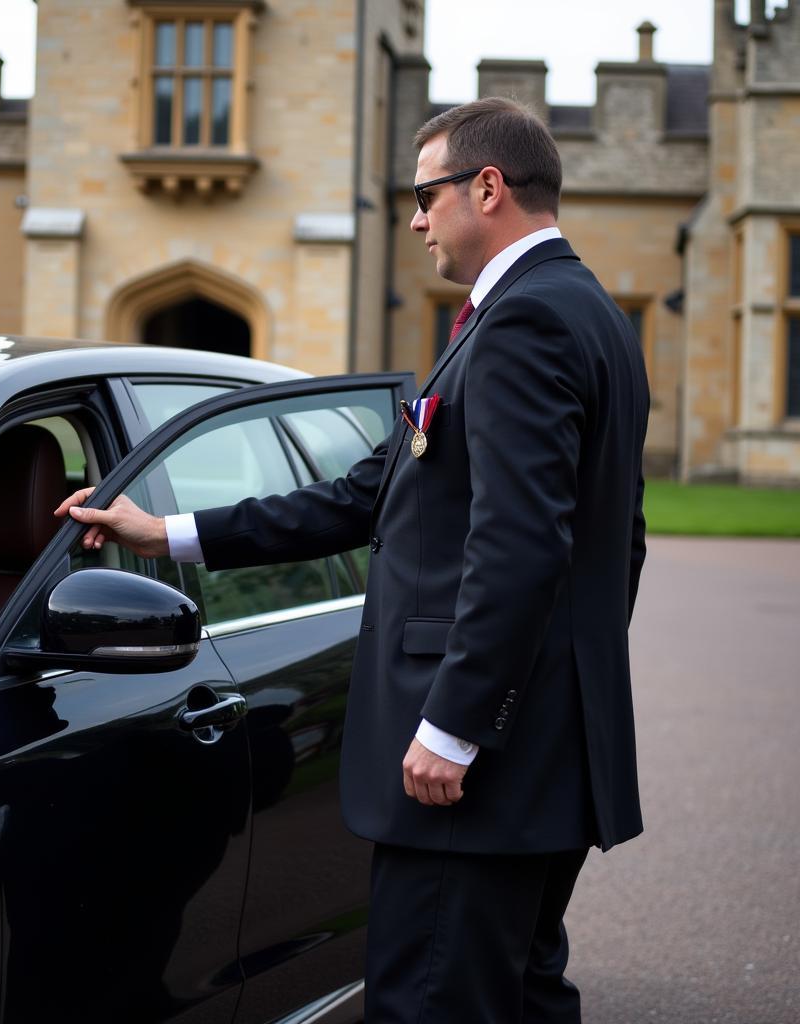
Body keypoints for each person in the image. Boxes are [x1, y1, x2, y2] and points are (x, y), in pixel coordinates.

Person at [56, 97, 649, 1023]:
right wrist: (168, 533)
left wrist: (457, 725)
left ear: (487, 188)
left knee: (431, 1002)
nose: (414, 219)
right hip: (543, 757)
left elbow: (523, 546)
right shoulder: (590, 315)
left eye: (426, 195)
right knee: (521, 996)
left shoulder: (525, 325)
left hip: (476, 771)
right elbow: (370, 499)